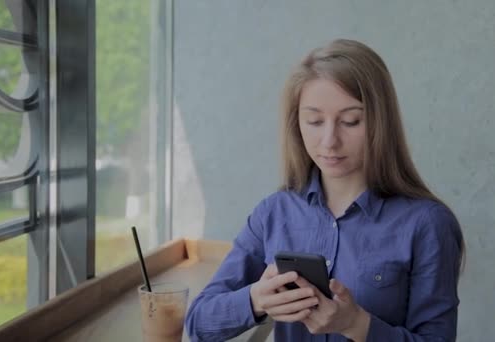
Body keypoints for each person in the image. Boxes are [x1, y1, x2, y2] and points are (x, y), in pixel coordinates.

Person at [185, 38, 465, 341]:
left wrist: (356, 324)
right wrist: (255, 300)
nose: (330, 140)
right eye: (315, 121)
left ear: (380, 123)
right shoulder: (274, 213)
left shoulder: (428, 224)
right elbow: (199, 324)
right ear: (298, 124)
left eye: (350, 121)